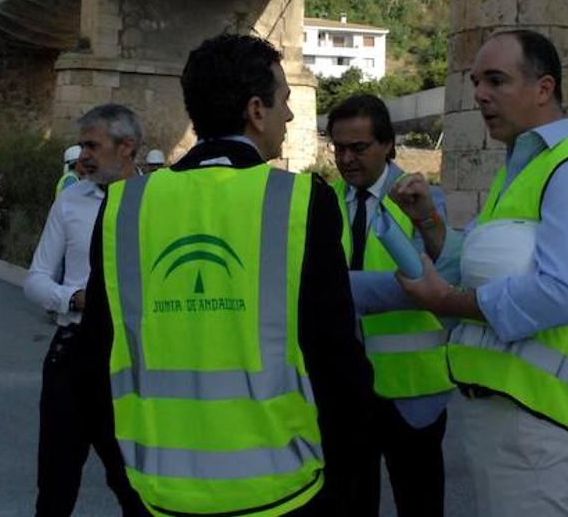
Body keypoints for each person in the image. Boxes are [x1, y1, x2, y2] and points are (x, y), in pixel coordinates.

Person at [74, 33, 375, 516]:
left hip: (158, 492)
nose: (291, 117)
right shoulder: (300, 201)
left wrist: (127, 482)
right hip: (283, 490)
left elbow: (94, 358)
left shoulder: (124, 207)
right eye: (285, 102)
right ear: (256, 110)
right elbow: (335, 358)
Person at [398, 29, 568, 517]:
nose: (480, 95)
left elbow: (564, 294)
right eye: (476, 82)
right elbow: (485, 268)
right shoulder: (525, 168)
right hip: (505, 414)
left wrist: (445, 303)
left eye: (496, 80)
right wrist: (428, 220)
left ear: (544, 88)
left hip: (537, 419)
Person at [326, 94, 455, 516]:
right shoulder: (323, 203)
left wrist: (329, 289)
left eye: (358, 148)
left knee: (419, 504)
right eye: (338, 148)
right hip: (345, 390)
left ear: (387, 145)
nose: (346, 158)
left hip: (414, 391)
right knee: (350, 504)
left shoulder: (423, 201)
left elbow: (424, 284)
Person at [25, 104, 147, 517]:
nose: (83, 157)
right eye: (81, 146)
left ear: (126, 146)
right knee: (56, 488)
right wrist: (74, 298)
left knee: (136, 487)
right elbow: (37, 279)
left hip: (135, 358)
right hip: (73, 355)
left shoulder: (157, 204)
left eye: (92, 146)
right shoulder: (70, 202)